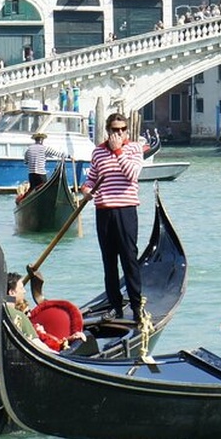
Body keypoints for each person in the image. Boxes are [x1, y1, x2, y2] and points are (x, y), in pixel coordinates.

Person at [80, 113, 144, 322]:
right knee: (109, 262)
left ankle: (136, 307)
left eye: (122, 130)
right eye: (114, 130)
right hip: (104, 211)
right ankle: (115, 307)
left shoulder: (134, 149)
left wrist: (118, 151)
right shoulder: (98, 152)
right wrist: (86, 190)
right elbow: (91, 179)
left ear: (126, 130)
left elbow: (132, 174)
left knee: (129, 260)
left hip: (126, 210)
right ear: (107, 131)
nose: (119, 133)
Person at [0, 272, 50, 378]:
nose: (24, 291)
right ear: (11, 292)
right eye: (21, 288)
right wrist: (58, 355)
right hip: (5, 374)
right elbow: (36, 345)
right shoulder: (18, 316)